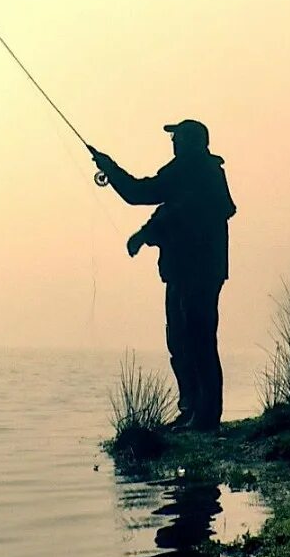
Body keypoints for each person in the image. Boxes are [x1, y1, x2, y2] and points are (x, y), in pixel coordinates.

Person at [88, 120, 236, 431]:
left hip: (197, 273)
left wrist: (110, 168)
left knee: (197, 341)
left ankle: (205, 417)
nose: (173, 142)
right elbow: (162, 206)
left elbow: (144, 195)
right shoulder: (192, 172)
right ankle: (192, 410)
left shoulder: (195, 171)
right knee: (181, 342)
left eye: (178, 137)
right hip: (187, 272)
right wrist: (145, 233)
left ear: (194, 141)